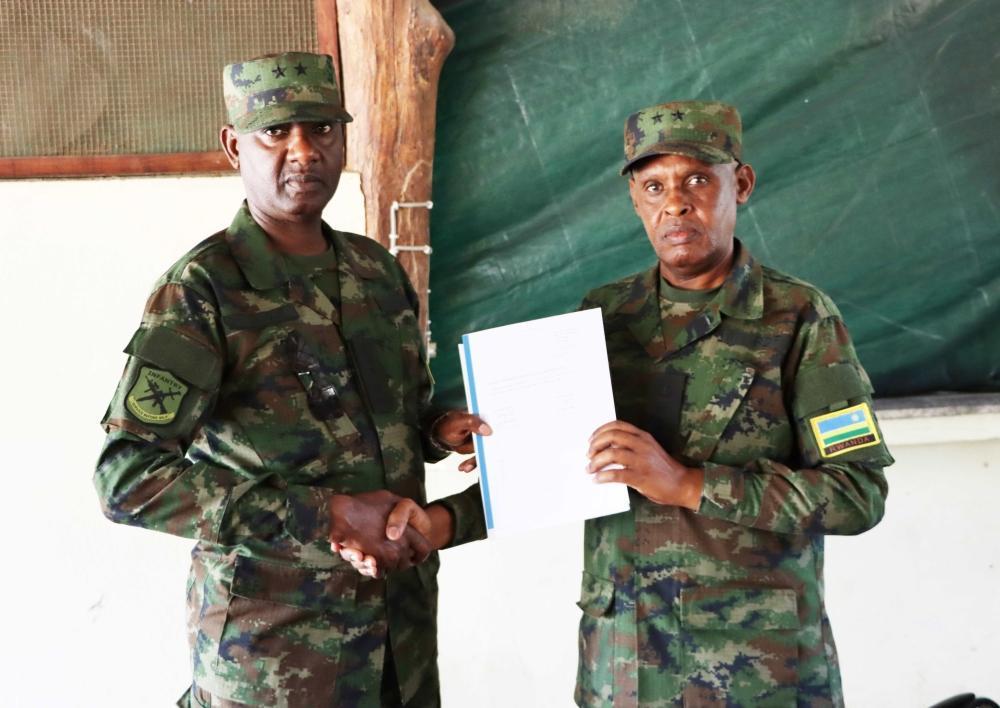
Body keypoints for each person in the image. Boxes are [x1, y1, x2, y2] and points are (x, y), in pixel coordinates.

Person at [93, 51, 488, 707]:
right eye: (276, 132)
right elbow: (126, 480)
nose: (303, 151)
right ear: (234, 146)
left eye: (321, 129)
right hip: (273, 658)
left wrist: (440, 431)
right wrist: (326, 513)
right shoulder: (202, 291)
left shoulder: (375, 272)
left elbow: (395, 419)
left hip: (399, 642)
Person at [577, 101, 894, 706]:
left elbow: (857, 494)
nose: (675, 203)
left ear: (741, 184)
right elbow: (568, 468)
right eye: (654, 186)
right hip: (622, 668)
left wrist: (689, 484)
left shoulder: (800, 316)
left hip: (752, 673)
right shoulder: (602, 315)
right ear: (635, 200)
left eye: (697, 179)